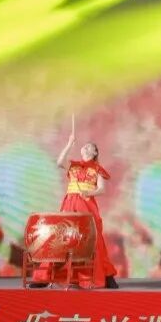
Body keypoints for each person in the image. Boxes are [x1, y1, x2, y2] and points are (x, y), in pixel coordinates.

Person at [31, 118, 118, 288]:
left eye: (90, 146)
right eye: (84, 146)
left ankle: (107, 276)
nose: (86, 147)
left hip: (87, 205)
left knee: (93, 239)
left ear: (95, 152)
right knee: (60, 238)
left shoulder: (97, 169)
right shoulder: (73, 165)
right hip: (70, 204)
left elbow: (102, 189)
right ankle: (44, 277)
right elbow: (59, 162)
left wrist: (89, 193)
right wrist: (69, 144)